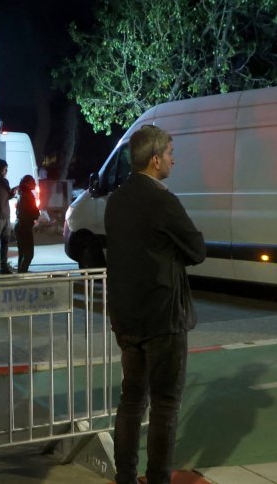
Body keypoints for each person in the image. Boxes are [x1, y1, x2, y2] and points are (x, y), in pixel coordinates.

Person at [104, 125, 205, 484]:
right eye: (171, 152)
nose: (174, 159)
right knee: (165, 406)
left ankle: (126, 477)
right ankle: (158, 478)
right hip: (163, 317)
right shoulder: (163, 200)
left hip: (127, 318)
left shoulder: (116, 200)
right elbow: (196, 249)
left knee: (131, 401)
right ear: (155, 158)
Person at [14, 174, 40, 273]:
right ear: (27, 183)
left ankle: (20, 273)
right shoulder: (28, 194)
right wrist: (37, 214)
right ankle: (22, 272)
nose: (35, 184)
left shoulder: (21, 193)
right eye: (33, 182)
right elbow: (32, 210)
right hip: (24, 226)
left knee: (22, 253)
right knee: (29, 254)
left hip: (19, 225)